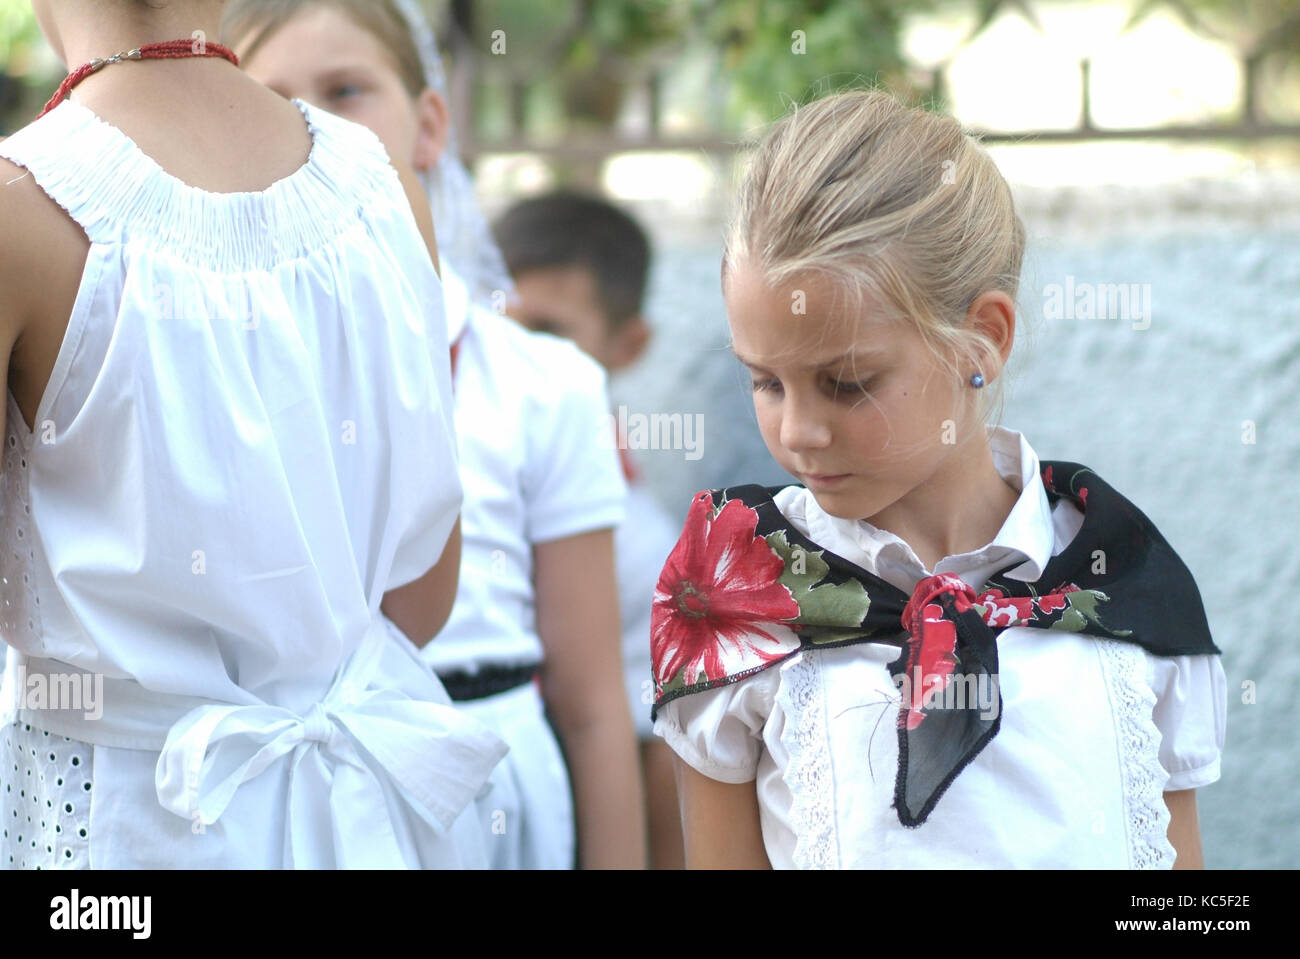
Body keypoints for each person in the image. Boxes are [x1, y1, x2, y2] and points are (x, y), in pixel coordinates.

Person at [650, 89, 1227, 869]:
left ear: (982, 340)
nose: (798, 431)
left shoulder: (1125, 584)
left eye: (847, 381)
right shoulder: (741, 591)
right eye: (766, 382)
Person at [0, 0, 506, 868]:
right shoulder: (386, 186)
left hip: (116, 830)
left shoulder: (21, 212)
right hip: (367, 815)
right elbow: (419, 600)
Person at [223, 0, 647, 869]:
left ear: (430, 125)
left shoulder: (547, 381)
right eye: (271, 104)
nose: (314, 129)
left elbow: (596, 702)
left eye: (347, 91)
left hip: (494, 798)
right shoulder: (218, 373)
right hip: (293, 798)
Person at [494, 190, 686, 868]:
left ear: (629, 344)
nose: (510, 356)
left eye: (545, 331)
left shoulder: (645, 551)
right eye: (497, 325)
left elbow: (665, 761)